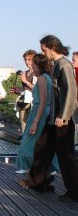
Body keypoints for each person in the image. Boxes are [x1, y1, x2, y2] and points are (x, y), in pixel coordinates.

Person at [20, 35, 78, 202]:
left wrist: (64, 115)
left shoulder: (64, 64)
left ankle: (74, 192)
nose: (43, 53)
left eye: (44, 49)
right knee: (42, 147)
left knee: (65, 155)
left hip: (61, 119)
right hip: (55, 118)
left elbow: (71, 92)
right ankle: (38, 181)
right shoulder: (60, 64)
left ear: (53, 47)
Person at [15, 54, 59, 174]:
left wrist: (35, 121)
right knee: (44, 140)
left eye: (33, 63)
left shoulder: (41, 78)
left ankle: (27, 165)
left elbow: (43, 101)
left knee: (29, 139)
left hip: (39, 111)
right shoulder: (48, 78)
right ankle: (50, 166)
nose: (31, 66)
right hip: (45, 111)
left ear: (39, 65)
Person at [12, 50, 36, 133]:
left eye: (29, 60)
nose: (26, 62)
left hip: (34, 104)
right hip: (23, 104)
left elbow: (37, 88)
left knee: (33, 130)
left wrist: (25, 81)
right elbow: (24, 89)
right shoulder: (25, 73)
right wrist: (18, 90)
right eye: (25, 60)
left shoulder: (38, 73)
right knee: (24, 129)